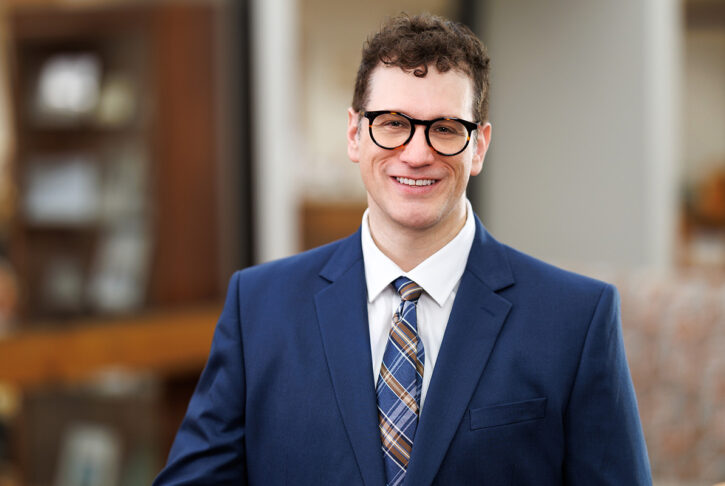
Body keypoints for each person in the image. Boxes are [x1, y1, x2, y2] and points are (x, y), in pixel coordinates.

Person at [154, 13, 652, 486]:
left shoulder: (575, 320)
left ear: (478, 147)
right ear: (354, 133)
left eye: (445, 128)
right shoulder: (258, 307)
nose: (417, 153)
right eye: (392, 123)